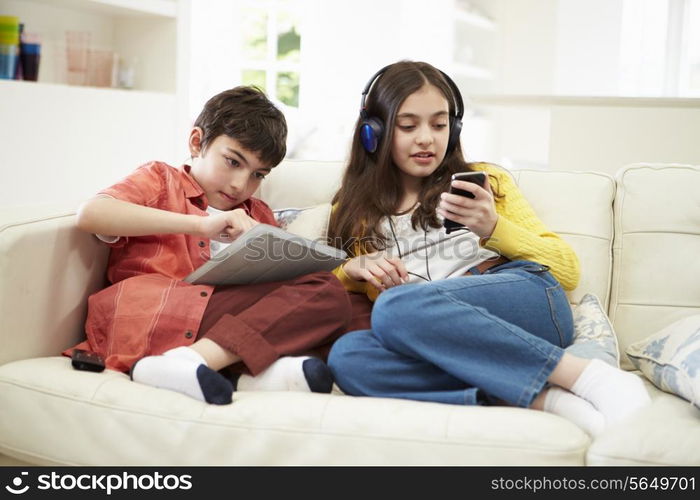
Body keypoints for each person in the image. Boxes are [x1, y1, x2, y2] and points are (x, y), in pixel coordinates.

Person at [326, 61, 650, 436]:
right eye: (408, 125)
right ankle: (547, 399)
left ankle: (591, 379)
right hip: (443, 329)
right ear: (374, 133)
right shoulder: (353, 210)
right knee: (349, 357)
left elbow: (567, 271)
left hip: (523, 297)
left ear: (455, 127)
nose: (427, 138)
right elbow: (330, 281)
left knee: (393, 308)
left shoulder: (487, 180)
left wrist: (493, 226)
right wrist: (352, 269)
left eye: (439, 123)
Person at [68, 86, 353, 405]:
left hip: (216, 318)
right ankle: (205, 366)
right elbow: (92, 214)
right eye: (233, 162)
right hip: (156, 310)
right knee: (323, 292)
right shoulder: (162, 180)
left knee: (337, 301)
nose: (240, 184)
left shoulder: (257, 214)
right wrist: (201, 225)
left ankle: (220, 371)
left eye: (258, 175)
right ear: (195, 142)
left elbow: (280, 295)